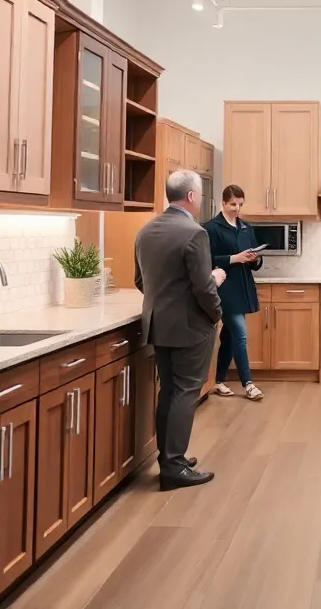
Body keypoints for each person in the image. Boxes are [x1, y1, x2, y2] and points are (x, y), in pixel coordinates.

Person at [134, 169, 227, 489]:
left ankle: (169, 457)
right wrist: (217, 310)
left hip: (159, 326)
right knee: (186, 393)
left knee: (170, 392)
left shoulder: (145, 231)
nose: (200, 201)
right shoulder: (194, 233)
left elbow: (140, 281)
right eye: (200, 195)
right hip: (191, 328)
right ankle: (173, 466)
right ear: (191, 196)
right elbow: (203, 288)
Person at [203, 184, 265, 401]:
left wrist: (254, 259)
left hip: (243, 287)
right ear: (223, 203)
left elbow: (255, 258)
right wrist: (234, 258)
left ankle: (218, 381)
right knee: (240, 333)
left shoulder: (246, 227)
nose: (237, 208)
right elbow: (205, 259)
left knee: (228, 336)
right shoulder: (211, 228)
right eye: (233, 204)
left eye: (240, 204)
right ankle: (248, 384)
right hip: (224, 288)